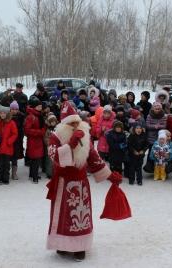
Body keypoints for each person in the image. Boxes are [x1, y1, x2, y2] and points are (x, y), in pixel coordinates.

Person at [45, 100, 121, 262]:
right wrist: (71, 144)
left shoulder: (85, 135)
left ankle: (80, 246)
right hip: (63, 182)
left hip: (80, 183)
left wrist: (109, 175)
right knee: (63, 214)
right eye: (70, 122)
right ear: (64, 124)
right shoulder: (55, 137)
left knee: (80, 215)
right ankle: (62, 243)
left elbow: (93, 157)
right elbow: (55, 157)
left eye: (76, 122)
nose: (74, 125)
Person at [24, 97, 45, 184]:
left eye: (41, 106)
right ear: (34, 107)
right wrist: (39, 132)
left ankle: (32, 174)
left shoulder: (39, 115)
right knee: (35, 159)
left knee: (36, 158)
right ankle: (34, 176)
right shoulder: (30, 116)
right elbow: (27, 130)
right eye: (39, 106)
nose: (41, 108)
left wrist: (42, 130)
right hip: (33, 140)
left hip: (39, 140)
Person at [0, 106, 18, 185]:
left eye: (4, 113)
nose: (2, 114)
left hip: (7, 147)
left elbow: (15, 134)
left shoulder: (11, 122)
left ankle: (5, 178)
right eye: (1, 113)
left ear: (7, 114)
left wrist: (9, 141)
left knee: (6, 164)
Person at [9, 101, 25, 180]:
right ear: (10, 109)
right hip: (9, 139)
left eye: (16, 109)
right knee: (7, 156)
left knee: (15, 157)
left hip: (18, 140)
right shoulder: (7, 117)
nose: (14, 111)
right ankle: (6, 171)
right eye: (12, 109)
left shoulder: (21, 117)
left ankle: (14, 173)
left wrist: (21, 137)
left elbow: (23, 128)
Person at [44, 113, 58, 179]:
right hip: (50, 146)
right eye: (52, 122)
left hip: (56, 146)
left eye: (54, 121)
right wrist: (48, 143)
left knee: (56, 160)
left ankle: (55, 172)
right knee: (49, 160)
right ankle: (49, 173)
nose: (53, 123)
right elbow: (46, 137)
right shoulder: (48, 130)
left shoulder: (57, 128)